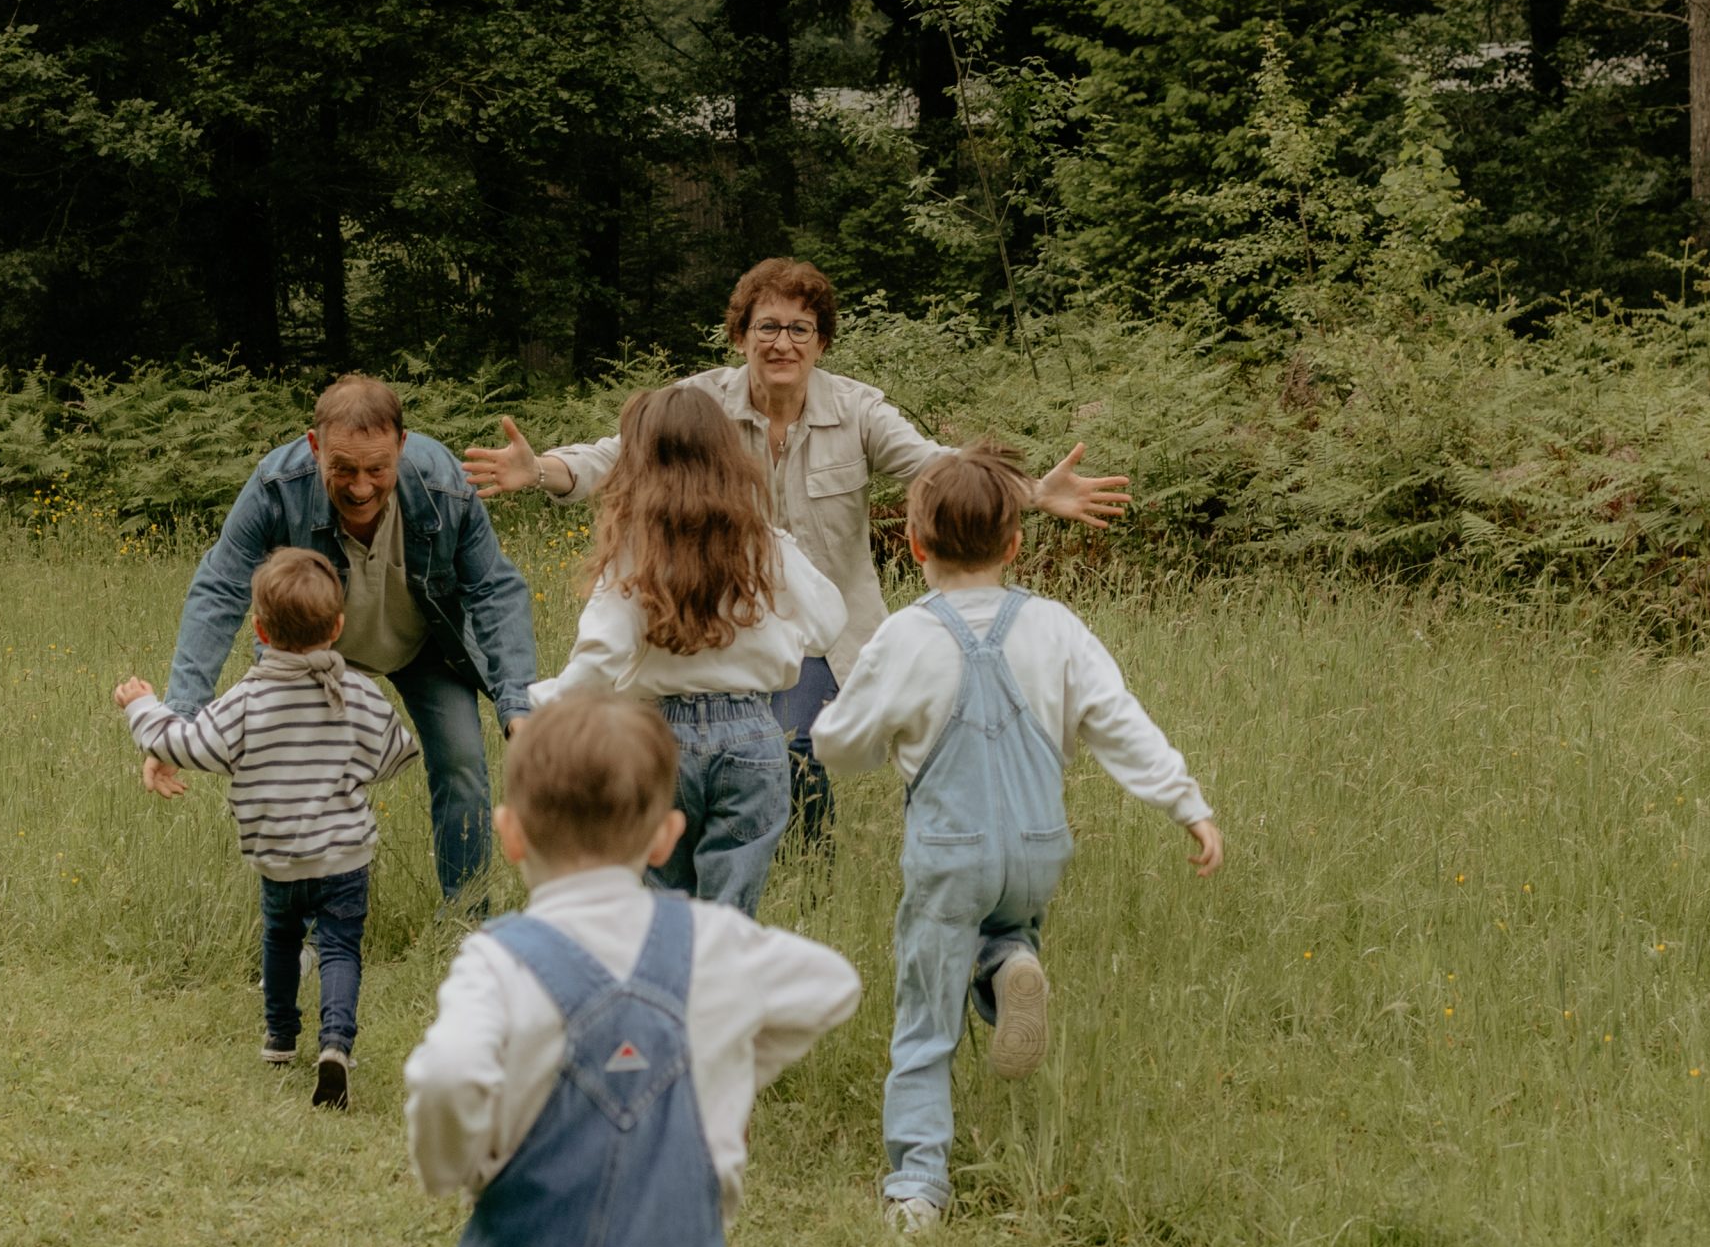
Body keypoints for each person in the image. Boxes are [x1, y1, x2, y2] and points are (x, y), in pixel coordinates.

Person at [462, 256, 1131, 845]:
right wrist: (541, 469)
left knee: (854, 733)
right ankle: (782, 856)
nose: (782, 342)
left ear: (821, 341)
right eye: (767, 327)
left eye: (799, 329)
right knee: (759, 743)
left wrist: (1032, 491)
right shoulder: (699, 402)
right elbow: (616, 455)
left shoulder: (860, 410)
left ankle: (878, 851)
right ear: (741, 336)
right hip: (728, 622)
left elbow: (936, 468)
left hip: (830, 623)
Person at [404, 693, 861, 1247]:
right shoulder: (714, 943)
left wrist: (450, 1163)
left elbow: (449, 1071)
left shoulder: (497, 958)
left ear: (509, 833)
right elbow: (834, 984)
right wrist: (731, 1071)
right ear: (665, 835)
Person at [810, 445, 1224, 1233]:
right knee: (1000, 932)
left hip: (949, 851)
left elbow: (841, 741)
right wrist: (1187, 803)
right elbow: (1117, 720)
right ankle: (1010, 964)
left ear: (915, 544)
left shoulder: (904, 635)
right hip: (1038, 849)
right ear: (1016, 544)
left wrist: (862, 739)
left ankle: (919, 1186)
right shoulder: (1055, 626)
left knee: (925, 1016)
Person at [154, 375, 536, 909]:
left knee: (463, 762)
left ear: (402, 447)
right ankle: (308, 930)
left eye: (378, 469)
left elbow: (494, 589)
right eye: (343, 469)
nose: (361, 487)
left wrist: (519, 702)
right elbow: (218, 589)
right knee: (293, 774)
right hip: (306, 653)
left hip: (424, 643)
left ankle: (465, 922)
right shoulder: (275, 486)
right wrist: (179, 714)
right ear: (315, 448)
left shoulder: (445, 486)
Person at [115, 548, 418, 1110]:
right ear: (338, 626)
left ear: (258, 629)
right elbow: (397, 755)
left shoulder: (248, 700)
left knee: (280, 938)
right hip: (344, 855)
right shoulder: (356, 692)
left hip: (277, 856)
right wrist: (345, 765)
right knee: (339, 948)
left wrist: (142, 707)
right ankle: (335, 1047)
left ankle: (280, 1037)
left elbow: (183, 744)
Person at [527, 387, 845, 916]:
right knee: (729, 917)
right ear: (725, 456)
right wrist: (773, 642)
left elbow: (602, 653)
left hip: (661, 741)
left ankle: (671, 991)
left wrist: (552, 704)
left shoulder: (635, 549)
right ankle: (720, 991)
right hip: (752, 733)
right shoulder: (762, 542)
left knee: (662, 908)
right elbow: (828, 621)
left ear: (639, 463)